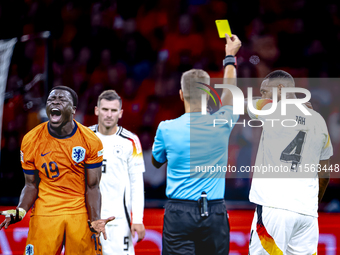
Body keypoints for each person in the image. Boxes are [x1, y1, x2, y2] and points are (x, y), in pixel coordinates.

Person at [151, 33, 242, 255]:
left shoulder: (166, 128)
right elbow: (230, 95)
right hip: (214, 213)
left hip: (178, 214)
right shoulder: (221, 122)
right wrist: (230, 58)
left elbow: (156, 162)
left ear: (181, 95)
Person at [0, 86, 114, 255]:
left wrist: (95, 219)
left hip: (79, 211)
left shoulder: (90, 141)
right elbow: (30, 185)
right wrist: (21, 209)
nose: (55, 102)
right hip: (46, 210)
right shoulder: (31, 140)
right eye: (51, 100)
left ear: (73, 110)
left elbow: (93, 187)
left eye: (62, 100)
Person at [247, 71, 333, 254]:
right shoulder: (319, 121)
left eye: (264, 91)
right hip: (307, 215)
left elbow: (249, 104)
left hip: (274, 208)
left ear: (280, 89)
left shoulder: (271, 110)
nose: (262, 96)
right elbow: (324, 173)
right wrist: (311, 204)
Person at [89, 90, 145, 255]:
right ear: (96, 110)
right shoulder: (84, 138)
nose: (109, 114)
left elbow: (137, 183)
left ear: (120, 113)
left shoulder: (130, 141)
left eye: (113, 110)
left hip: (118, 222)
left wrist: (138, 219)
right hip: (87, 220)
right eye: (105, 109)